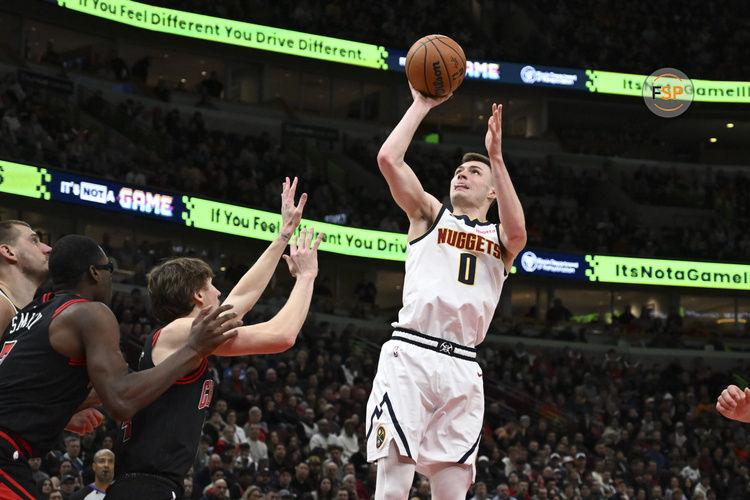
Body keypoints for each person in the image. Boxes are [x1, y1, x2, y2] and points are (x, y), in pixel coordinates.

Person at [107, 178, 323, 499]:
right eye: (211, 286)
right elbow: (282, 335)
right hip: (145, 485)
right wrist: (306, 278)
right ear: (196, 295)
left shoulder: (178, 334)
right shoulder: (181, 332)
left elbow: (243, 296)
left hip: (150, 482)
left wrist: (283, 235)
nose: (219, 292)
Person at [365, 85, 526, 500]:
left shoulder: (502, 239)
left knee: (452, 494)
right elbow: (388, 159)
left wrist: (496, 158)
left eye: (474, 173)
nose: (461, 174)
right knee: (392, 489)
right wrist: (421, 105)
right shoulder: (430, 216)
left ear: (493, 192)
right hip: (411, 353)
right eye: (458, 171)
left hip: (464, 366)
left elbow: (518, 232)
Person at [0, 234, 240, 499]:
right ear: (94, 273)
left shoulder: (28, 314)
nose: (110, 279)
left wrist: (66, 411)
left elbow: (21, 387)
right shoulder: (90, 312)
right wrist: (193, 348)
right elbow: (121, 401)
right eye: (108, 270)